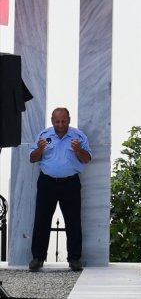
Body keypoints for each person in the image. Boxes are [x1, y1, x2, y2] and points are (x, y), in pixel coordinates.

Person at [29, 107, 91, 272]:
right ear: (52, 121)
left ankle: (74, 259)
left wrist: (78, 150)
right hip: (47, 183)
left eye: (63, 121)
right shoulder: (44, 136)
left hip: (70, 183)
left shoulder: (78, 136)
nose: (61, 124)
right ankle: (38, 258)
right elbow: (32, 158)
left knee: (73, 221)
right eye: (57, 121)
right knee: (42, 220)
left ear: (69, 120)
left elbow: (87, 159)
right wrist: (40, 149)